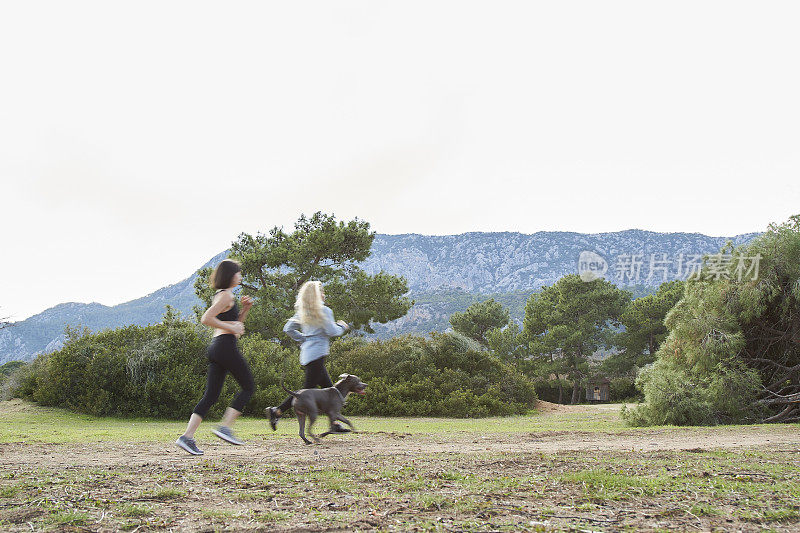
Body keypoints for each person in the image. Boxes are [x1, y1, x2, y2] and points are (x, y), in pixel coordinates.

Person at [175, 259, 255, 455]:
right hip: (225, 347)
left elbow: (235, 327)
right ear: (230, 275)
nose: (241, 276)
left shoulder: (224, 296)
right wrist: (231, 326)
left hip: (218, 347)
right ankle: (225, 427)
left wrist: (244, 311)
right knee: (248, 386)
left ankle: (187, 437)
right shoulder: (226, 296)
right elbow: (206, 318)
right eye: (238, 273)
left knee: (210, 396)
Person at [266, 280, 350, 433]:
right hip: (317, 354)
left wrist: (304, 338)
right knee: (306, 392)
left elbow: (288, 329)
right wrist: (342, 327)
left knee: (330, 390)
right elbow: (332, 331)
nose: (324, 294)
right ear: (318, 295)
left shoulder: (303, 312)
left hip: (308, 355)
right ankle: (277, 411)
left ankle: (334, 423)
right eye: (322, 291)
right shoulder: (324, 311)